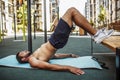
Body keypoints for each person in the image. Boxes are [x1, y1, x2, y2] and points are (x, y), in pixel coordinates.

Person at [16, 7, 114, 75]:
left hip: (56, 40)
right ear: (24, 59)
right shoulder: (33, 61)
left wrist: (69, 55)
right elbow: (49, 66)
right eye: (22, 53)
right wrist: (69, 68)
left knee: (72, 16)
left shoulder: (36, 56)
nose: (24, 50)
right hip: (55, 40)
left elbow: (54, 56)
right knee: (72, 11)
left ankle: (94, 33)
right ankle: (96, 34)